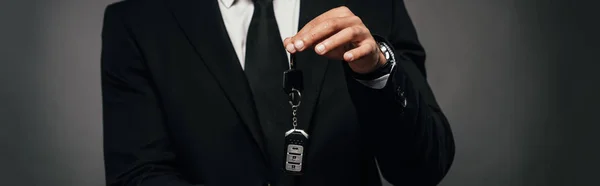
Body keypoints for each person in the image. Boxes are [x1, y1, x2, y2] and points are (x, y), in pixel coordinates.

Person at [101, 0, 455, 185]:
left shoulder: (371, 4)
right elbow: (137, 174)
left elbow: (423, 170)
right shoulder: (138, 22)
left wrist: (377, 71)